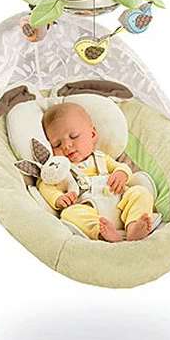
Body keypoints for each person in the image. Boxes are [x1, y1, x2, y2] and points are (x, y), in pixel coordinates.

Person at [38, 102, 153, 242]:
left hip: (119, 201)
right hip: (90, 209)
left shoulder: (101, 158)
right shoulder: (61, 170)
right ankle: (102, 233)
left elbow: (122, 167)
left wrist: (121, 173)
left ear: (92, 134)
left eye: (74, 136)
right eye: (57, 144)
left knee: (140, 192)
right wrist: (58, 198)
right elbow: (45, 185)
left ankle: (134, 227)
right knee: (70, 214)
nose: (67, 146)